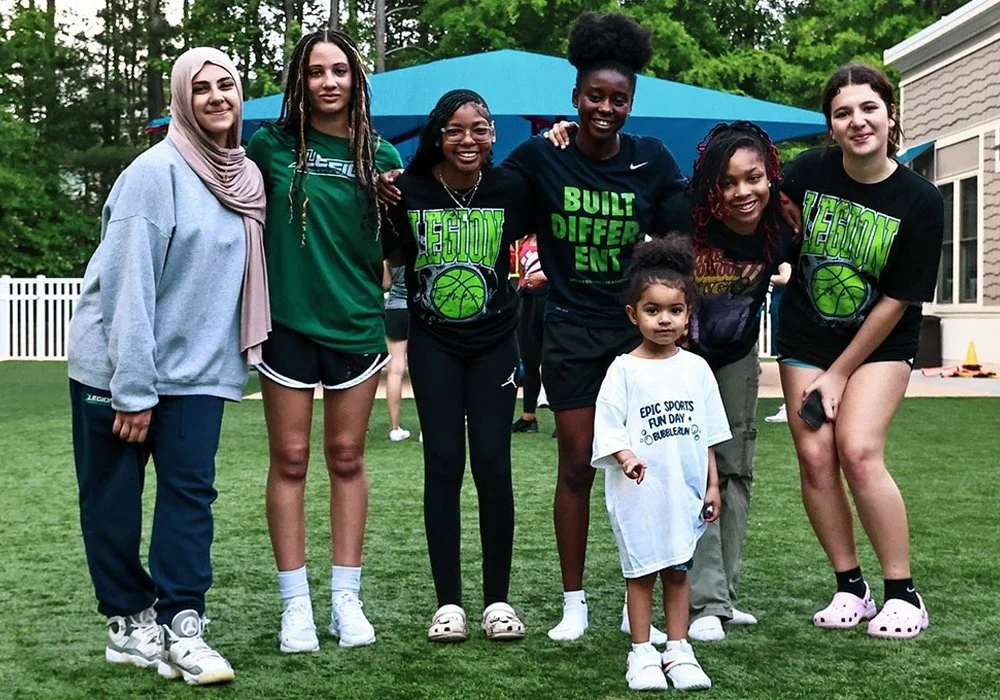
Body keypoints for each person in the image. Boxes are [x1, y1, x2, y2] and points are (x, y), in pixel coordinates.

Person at [67, 47, 269, 685]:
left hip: (199, 369)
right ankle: (128, 621)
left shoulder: (245, 177)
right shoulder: (154, 173)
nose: (216, 97)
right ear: (182, 99)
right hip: (117, 369)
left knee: (190, 496)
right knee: (113, 500)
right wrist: (133, 389)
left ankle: (184, 623)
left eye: (226, 85)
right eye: (200, 88)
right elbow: (129, 285)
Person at [503, 11, 687, 642]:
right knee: (578, 465)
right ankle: (574, 602)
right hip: (571, 333)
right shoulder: (542, 155)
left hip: (635, 340)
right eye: (595, 96)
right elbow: (489, 199)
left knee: (645, 469)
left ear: (631, 102)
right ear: (575, 96)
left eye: (618, 99)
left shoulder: (652, 160)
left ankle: (641, 599)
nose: (606, 108)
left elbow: (689, 226)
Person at [246, 30, 403, 653]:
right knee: (289, 459)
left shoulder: (381, 154)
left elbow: (397, 248)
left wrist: (393, 206)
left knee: (346, 457)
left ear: (356, 80)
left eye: (340, 70)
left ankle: (345, 600)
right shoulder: (270, 145)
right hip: (287, 323)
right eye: (316, 72)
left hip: (356, 324)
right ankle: (296, 606)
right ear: (300, 81)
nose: (328, 81)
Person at [778, 63, 943, 639]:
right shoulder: (806, 172)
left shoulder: (921, 200)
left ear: (890, 114)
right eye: (843, 112)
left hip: (880, 343)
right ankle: (851, 586)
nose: (858, 121)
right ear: (830, 125)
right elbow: (748, 193)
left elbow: (898, 299)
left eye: (869, 108)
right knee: (815, 455)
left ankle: (904, 593)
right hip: (805, 336)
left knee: (858, 448)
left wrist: (839, 375)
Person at [382, 89, 528, 642]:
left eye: (480, 129)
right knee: (443, 463)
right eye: (455, 130)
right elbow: (387, 255)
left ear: (493, 136)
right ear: (438, 136)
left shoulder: (511, 187)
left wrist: (561, 136)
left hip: (496, 344)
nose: (468, 139)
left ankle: (497, 602)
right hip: (434, 345)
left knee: (492, 463)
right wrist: (380, 189)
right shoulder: (410, 190)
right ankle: (448, 605)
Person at [662, 122, 796, 641]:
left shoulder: (783, 220)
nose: (742, 192)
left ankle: (724, 595)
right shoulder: (680, 212)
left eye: (753, 178)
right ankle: (706, 601)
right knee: (696, 469)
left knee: (736, 467)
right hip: (683, 357)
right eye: (728, 182)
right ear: (710, 186)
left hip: (737, 355)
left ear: (770, 175)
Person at [592, 237, 727, 691]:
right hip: (639, 494)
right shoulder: (623, 370)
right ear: (634, 314)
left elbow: (708, 435)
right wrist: (626, 457)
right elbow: (608, 426)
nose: (664, 319)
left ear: (688, 314)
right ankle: (642, 653)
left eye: (674, 310)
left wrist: (712, 485)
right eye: (653, 310)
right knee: (641, 571)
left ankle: (678, 649)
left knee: (678, 570)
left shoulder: (697, 370)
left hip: (683, 492)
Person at [511, 233, 548, 434]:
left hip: (549, 298)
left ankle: (562, 418)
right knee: (529, 358)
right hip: (528, 300)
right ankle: (528, 417)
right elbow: (522, 271)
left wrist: (543, 276)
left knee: (552, 361)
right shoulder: (524, 240)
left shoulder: (551, 237)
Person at [383, 261, 412, 441]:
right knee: (424, 370)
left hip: (394, 309)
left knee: (394, 370)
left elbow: (385, 283)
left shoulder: (391, 255)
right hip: (417, 308)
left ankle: (394, 428)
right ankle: (426, 430)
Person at [765, 263, 792, 424]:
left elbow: (785, 277)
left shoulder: (782, 256)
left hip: (783, 305)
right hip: (782, 304)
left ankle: (789, 404)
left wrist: (763, 276)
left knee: (786, 356)